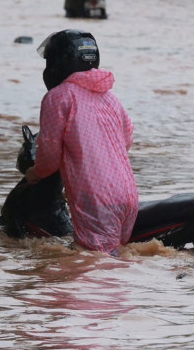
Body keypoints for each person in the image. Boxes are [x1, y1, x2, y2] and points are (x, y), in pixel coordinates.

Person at [25, 30, 139, 255]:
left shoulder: (58, 97)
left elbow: (48, 153)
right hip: (128, 196)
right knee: (116, 264)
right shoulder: (110, 97)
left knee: (96, 270)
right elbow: (127, 139)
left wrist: (35, 173)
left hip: (96, 199)